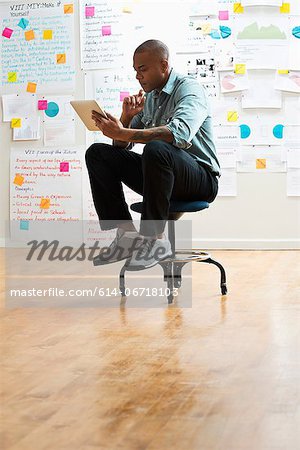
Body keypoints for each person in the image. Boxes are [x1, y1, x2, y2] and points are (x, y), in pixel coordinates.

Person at [85, 39, 220, 270]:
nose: (138, 76)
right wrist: (125, 119)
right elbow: (121, 146)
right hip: (160, 176)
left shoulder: (189, 89)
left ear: (164, 65)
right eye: (136, 70)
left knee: (157, 147)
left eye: (143, 69)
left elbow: (179, 133)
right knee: (98, 153)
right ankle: (126, 237)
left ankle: (154, 240)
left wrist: (125, 131)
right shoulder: (150, 99)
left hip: (200, 179)